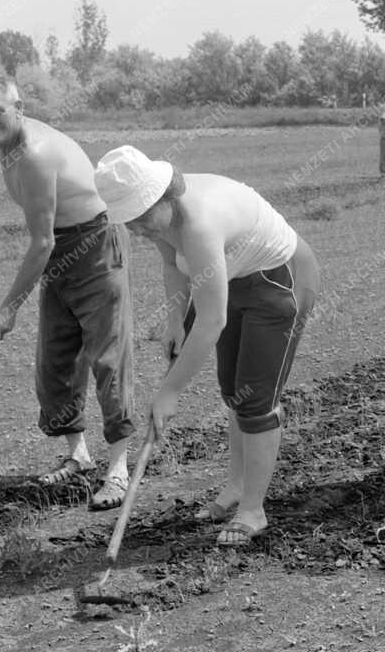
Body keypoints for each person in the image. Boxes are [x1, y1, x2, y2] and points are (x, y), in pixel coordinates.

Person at [93, 146, 321, 546]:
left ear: (163, 195)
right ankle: (235, 487)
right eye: (130, 221)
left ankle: (253, 509)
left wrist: (170, 392)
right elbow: (171, 265)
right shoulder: (158, 220)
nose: (139, 229)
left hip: (281, 280)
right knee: (235, 391)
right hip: (232, 280)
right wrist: (174, 321)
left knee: (257, 399)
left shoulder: (198, 224)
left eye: (143, 217)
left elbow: (212, 320)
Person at [0, 76, 135, 510]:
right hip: (60, 246)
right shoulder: (1, 143)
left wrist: (8, 308)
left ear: (18, 107)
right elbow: (46, 239)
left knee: (106, 357)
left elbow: (40, 242)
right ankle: (77, 454)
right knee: (56, 358)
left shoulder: (36, 155)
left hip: (95, 245)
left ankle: (118, 469)